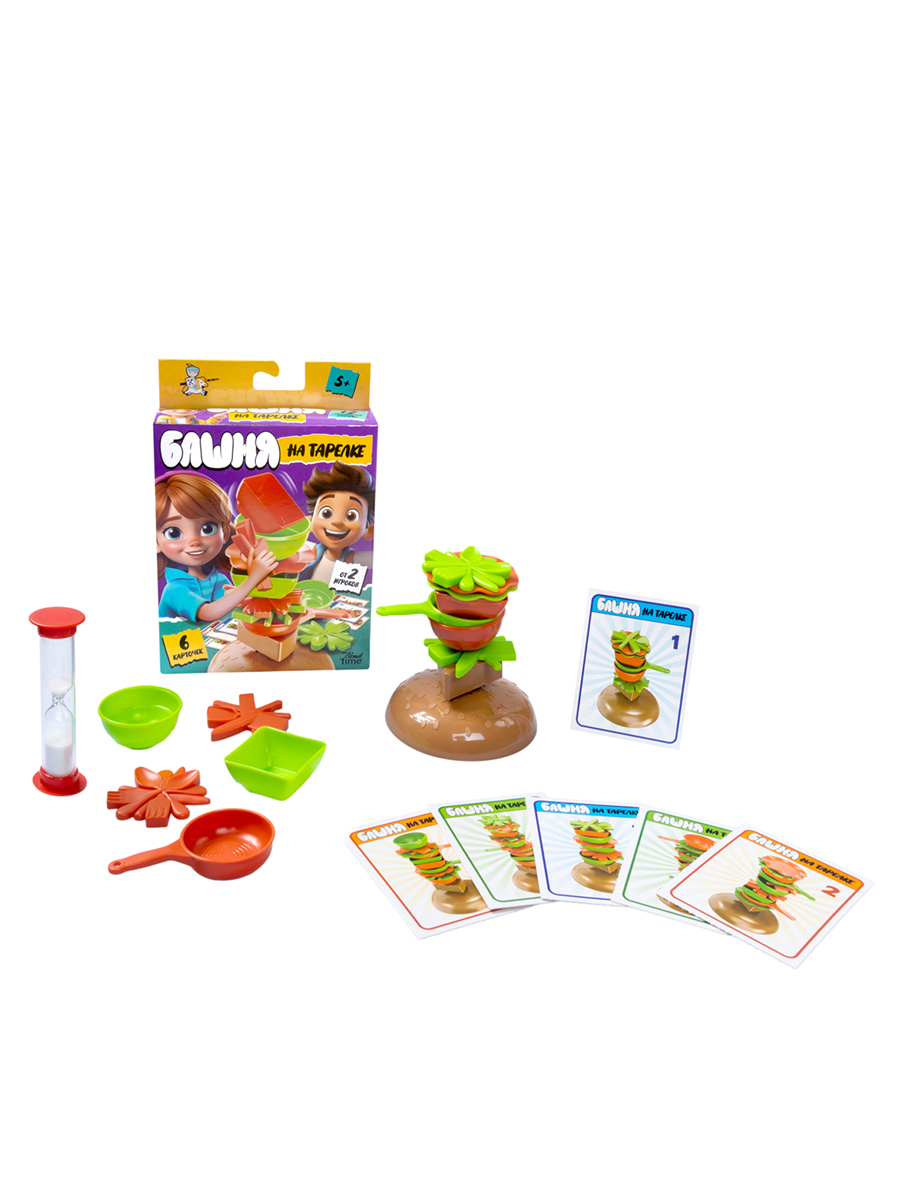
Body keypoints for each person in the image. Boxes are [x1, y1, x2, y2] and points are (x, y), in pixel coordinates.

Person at [156, 473, 277, 621]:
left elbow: (229, 606)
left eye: (208, 528)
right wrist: (254, 578)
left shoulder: (217, 579)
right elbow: (209, 613)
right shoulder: (174, 590)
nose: (195, 541)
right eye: (174, 533)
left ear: (224, 532)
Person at [297, 463, 375, 584]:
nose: (336, 522)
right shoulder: (311, 551)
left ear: (369, 531)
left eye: (351, 516)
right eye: (326, 513)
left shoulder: (354, 559)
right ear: (310, 523)